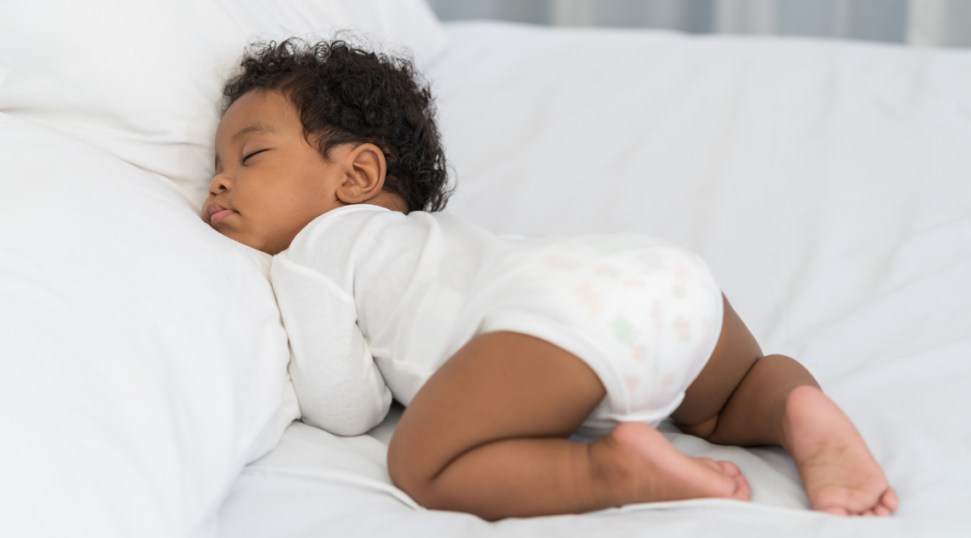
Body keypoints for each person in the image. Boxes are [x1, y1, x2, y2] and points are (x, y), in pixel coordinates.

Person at [202, 37, 899, 521]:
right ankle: (794, 407)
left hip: (553, 324)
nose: (220, 180)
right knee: (725, 401)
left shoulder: (315, 252)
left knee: (422, 465)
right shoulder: (440, 241)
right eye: (216, 165)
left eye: (251, 154)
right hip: (659, 279)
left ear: (357, 176)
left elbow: (346, 408)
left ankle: (608, 473)